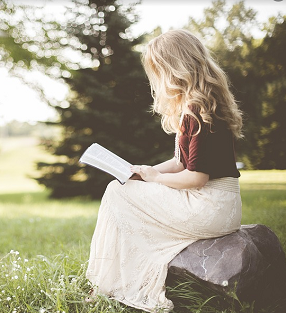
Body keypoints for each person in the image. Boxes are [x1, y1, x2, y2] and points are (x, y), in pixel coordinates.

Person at [85, 29, 244, 312]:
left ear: (175, 68)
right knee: (125, 188)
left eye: (158, 70)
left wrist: (156, 179)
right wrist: (145, 171)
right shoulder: (202, 103)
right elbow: (181, 163)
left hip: (209, 205)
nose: (156, 79)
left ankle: (109, 283)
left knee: (115, 192)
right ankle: (112, 279)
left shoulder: (196, 109)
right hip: (222, 205)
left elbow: (196, 177)